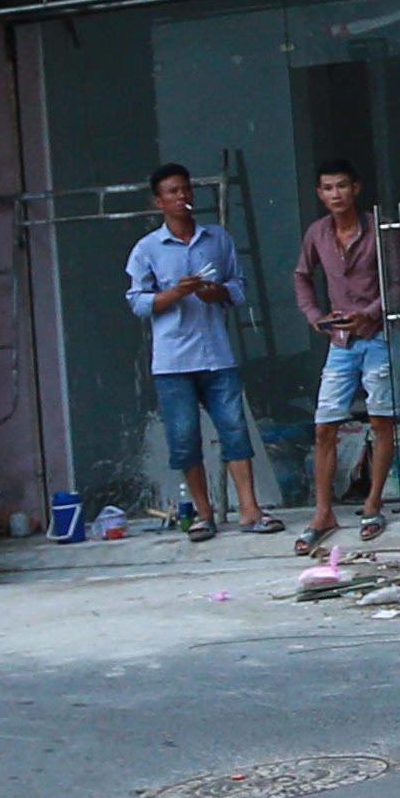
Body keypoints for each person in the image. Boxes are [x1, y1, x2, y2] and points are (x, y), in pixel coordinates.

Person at [123, 167, 268, 539]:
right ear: (159, 201)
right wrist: (176, 292)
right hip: (173, 361)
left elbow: (238, 287)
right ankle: (204, 514)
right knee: (185, 438)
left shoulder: (217, 239)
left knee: (234, 429)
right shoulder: (147, 248)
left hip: (217, 354)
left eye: (185, 189)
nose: (181, 196)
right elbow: (137, 302)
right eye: (172, 192)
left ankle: (250, 509)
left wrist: (215, 292)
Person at [286, 161, 400, 561]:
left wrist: (369, 312)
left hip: (378, 335)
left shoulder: (379, 228)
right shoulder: (317, 233)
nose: (336, 194)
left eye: (342, 187)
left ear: (356, 188)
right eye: (327, 189)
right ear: (321, 194)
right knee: (324, 426)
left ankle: (373, 503)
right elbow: (301, 275)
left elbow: (399, 285)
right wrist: (314, 315)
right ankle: (323, 513)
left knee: (381, 420)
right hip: (339, 340)